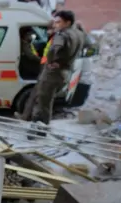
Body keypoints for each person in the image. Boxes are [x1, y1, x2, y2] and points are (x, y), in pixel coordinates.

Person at [26, 10, 83, 138]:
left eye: (58, 22)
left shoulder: (61, 35)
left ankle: (38, 131)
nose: (55, 25)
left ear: (67, 23)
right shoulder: (78, 34)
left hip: (53, 72)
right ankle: (41, 129)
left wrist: (51, 60)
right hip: (65, 71)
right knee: (47, 102)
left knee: (42, 103)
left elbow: (53, 49)